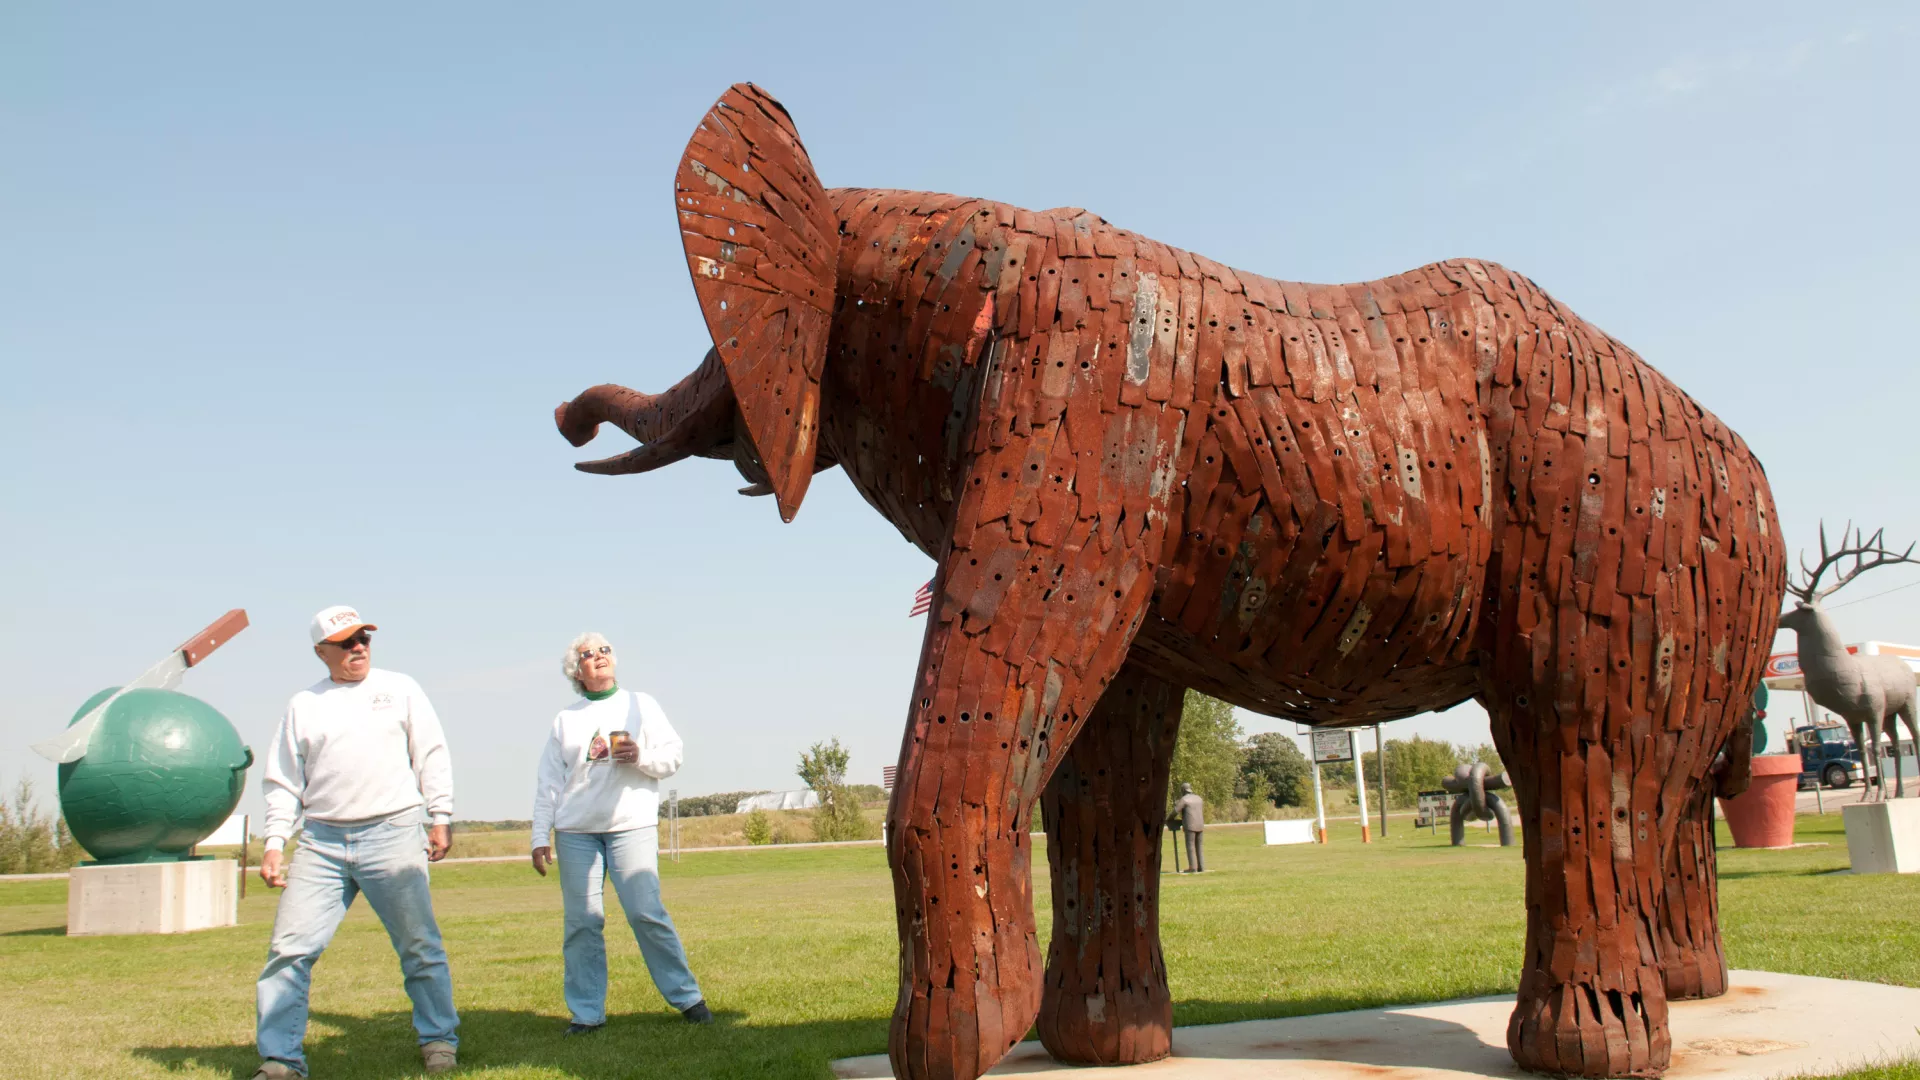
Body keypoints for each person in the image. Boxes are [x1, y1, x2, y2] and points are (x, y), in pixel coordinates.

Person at [252, 606, 459, 1079]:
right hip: (321, 842)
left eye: (363, 637)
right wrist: (274, 841)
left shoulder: (401, 688)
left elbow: (430, 753)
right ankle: (281, 1060)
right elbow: (283, 780)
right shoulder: (303, 704)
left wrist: (440, 814)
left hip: (393, 832)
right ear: (321, 652)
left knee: (419, 946)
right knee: (290, 950)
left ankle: (439, 1041)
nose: (358, 647)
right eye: (346, 642)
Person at [530, 632, 711, 1033]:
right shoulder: (565, 719)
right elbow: (549, 784)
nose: (598, 657)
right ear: (576, 671)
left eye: (604, 651)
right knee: (582, 921)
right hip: (576, 832)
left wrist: (640, 757)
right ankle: (587, 1013)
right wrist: (540, 835)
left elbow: (673, 755)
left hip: (631, 827)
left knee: (646, 914)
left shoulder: (640, 705)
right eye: (587, 654)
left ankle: (688, 998)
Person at [1173, 783, 1206, 873]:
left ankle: (1193, 867)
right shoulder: (1199, 798)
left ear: (1183, 790)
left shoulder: (1184, 799)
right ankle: (1201, 867)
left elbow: (1175, 811)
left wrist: (1168, 819)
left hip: (1190, 825)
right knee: (1199, 846)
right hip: (1200, 824)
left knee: (1190, 846)